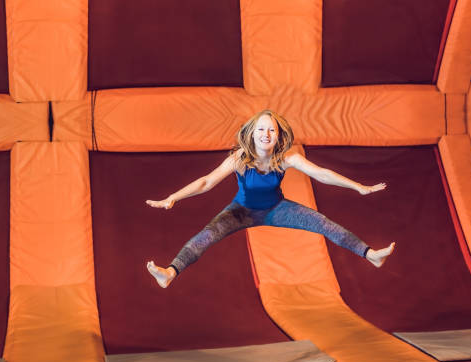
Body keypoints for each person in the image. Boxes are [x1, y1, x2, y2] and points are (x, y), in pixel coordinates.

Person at [146, 110, 395, 288]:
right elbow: (206, 182)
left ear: (278, 136)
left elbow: (321, 174)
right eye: (261, 129)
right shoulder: (240, 158)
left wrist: (358, 187)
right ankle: (170, 272)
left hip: (277, 209)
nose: (266, 134)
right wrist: (173, 197)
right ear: (253, 134)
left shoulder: (286, 157)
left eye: (271, 130)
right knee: (208, 234)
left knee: (322, 223)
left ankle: (370, 255)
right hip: (241, 211)